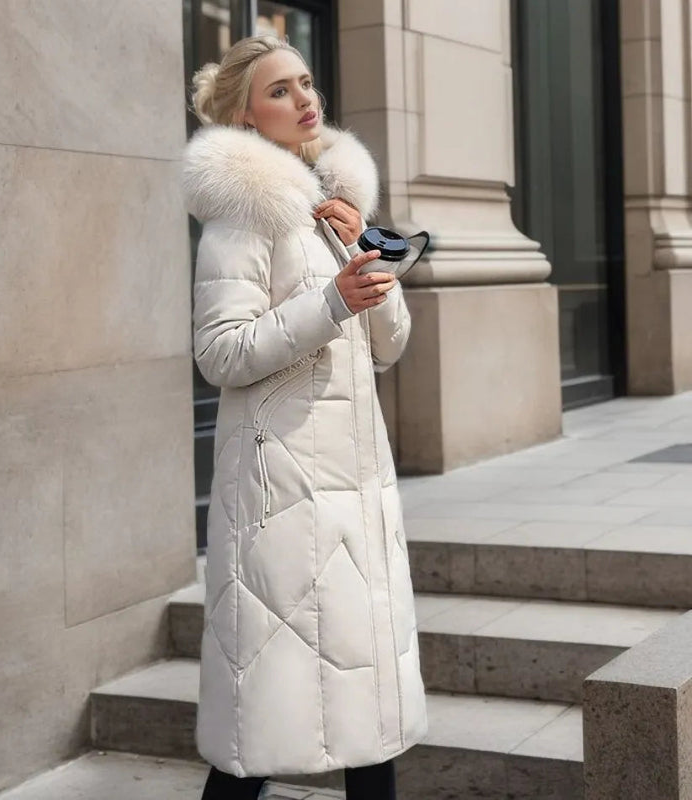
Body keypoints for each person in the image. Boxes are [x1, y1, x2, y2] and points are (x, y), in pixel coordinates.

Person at [183, 35, 428, 800]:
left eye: (306, 82)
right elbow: (220, 353)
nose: (305, 99)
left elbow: (390, 346)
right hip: (284, 498)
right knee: (261, 717)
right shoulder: (242, 218)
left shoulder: (334, 209)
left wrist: (367, 263)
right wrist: (329, 303)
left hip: (358, 490)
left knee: (367, 714)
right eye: (280, 90)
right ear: (246, 116)